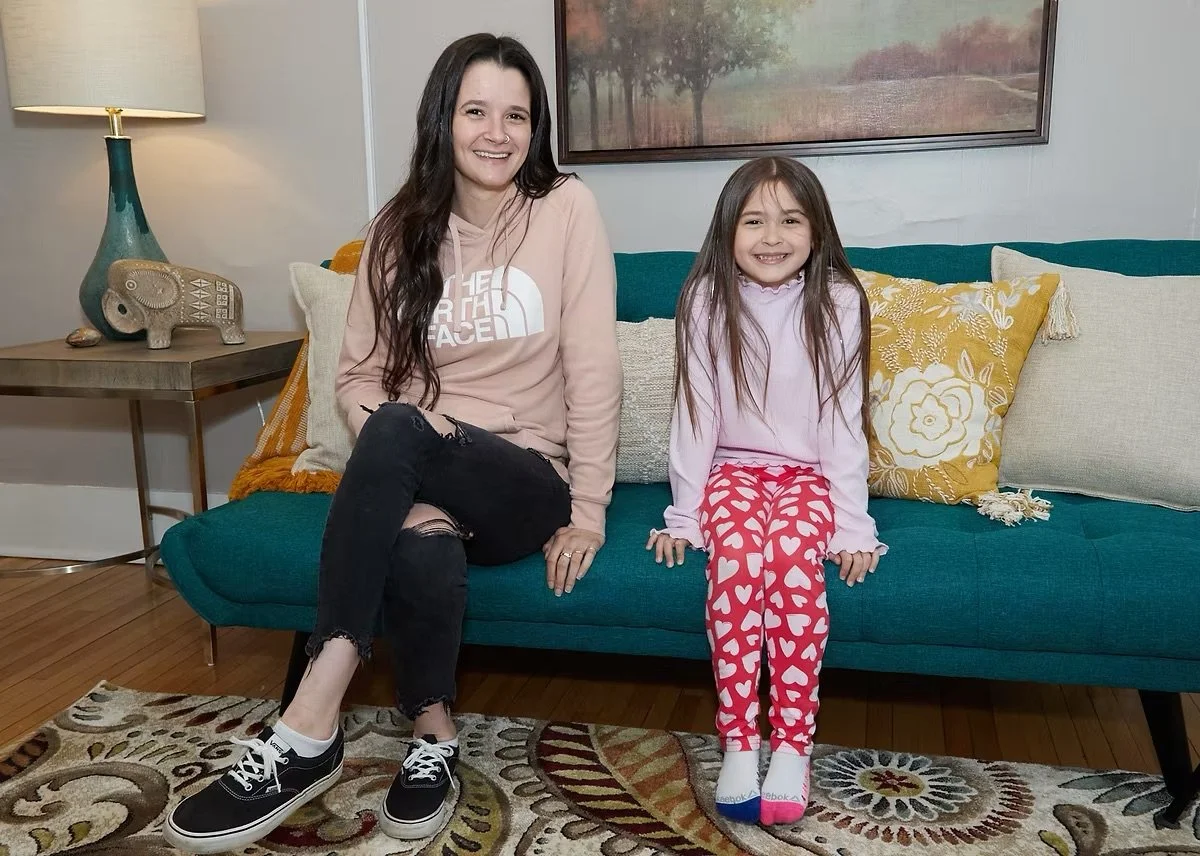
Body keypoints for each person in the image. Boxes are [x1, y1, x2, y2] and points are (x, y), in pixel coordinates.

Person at [164, 33, 621, 852]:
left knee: (401, 422)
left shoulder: (565, 209)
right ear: (442, 119)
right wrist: (404, 446)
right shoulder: (397, 226)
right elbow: (356, 378)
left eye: (517, 115)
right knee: (418, 534)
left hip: (523, 480)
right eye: (476, 110)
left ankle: (311, 715)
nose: (497, 132)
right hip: (418, 474)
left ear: (536, 127)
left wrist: (587, 511)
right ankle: (435, 739)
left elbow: (593, 367)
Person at [646, 156, 885, 827]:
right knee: (741, 558)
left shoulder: (839, 301)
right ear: (727, 231)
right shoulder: (703, 300)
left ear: (816, 230)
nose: (771, 236)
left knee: (788, 558)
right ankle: (740, 741)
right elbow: (696, 414)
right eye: (753, 220)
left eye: (789, 220)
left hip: (809, 478)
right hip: (732, 471)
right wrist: (685, 517)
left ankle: (792, 743)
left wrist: (853, 527)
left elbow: (842, 420)